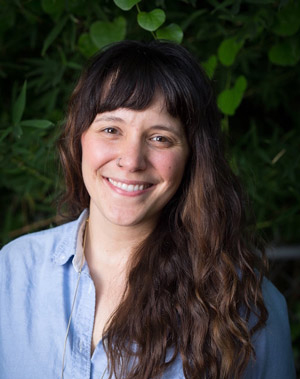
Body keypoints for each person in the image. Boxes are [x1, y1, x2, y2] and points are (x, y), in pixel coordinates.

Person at [0, 40, 296, 379]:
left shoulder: (246, 306)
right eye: (111, 130)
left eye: (160, 138)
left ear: (192, 157)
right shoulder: (12, 273)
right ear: (79, 137)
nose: (131, 160)